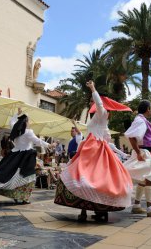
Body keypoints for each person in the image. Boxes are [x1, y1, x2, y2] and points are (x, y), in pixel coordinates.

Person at [54, 80, 133, 222]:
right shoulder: (101, 120)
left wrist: (93, 89)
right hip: (91, 149)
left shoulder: (102, 114)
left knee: (89, 179)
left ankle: (91, 211)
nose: (93, 103)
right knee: (90, 179)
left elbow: (100, 106)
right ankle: (97, 211)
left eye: (94, 101)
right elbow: (103, 137)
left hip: (95, 150)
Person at [0, 108, 56, 204]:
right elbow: (38, 141)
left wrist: (17, 114)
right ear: (26, 122)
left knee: (14, 174)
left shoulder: (16, 130)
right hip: (26, 157)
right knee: (28, 176)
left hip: (15, 155)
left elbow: (12, 122)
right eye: (29, 121)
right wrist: (49, 145)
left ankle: (17, 195)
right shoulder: (28, 132)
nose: (30, 122)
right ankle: (24, 198)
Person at [124, 100, 151, 217]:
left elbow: (147, 132)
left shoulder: (142, 120)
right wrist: (138, 153)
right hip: (143, 152)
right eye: (150, 108)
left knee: (143, 180)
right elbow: (132, 137)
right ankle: (150, 208)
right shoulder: (141, 121)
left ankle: (137, 206)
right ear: (148, 109)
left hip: (143, 152)